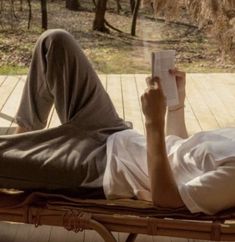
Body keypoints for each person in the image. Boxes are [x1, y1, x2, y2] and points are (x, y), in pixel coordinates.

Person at [0, 29, 235, 215]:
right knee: (55, 42)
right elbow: (180, 154)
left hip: (102, 169)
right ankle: (23, 146)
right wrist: (176, 105)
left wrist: (153, 121)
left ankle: (19, 159)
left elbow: (169, 200)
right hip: (114, 131)